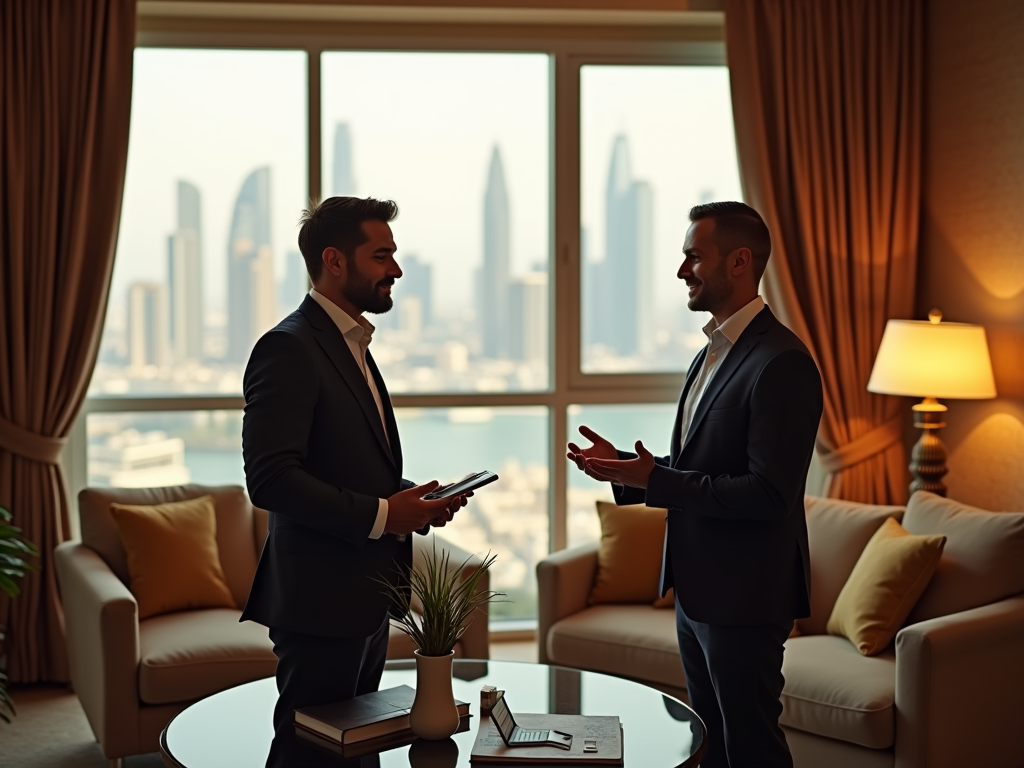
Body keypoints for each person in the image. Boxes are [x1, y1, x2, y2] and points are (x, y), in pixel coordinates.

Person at [567, 201, 823, 768]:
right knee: (710, 745)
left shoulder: (782, 362)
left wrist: (657, 478)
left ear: (738, 262)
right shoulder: (711, 353)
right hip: (698, 590)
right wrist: (630, 474)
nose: (682, 271)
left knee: (751, 746)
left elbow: (768, 494)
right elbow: (703, 463)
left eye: (693, 257)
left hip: (745, 596)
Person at [240, 196, 467, 765]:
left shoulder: (351, 345)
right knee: (309, 752)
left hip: (363, 594)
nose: (396, 269)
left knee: (356, 750)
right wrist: (388, 516)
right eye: (382, 255)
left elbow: (348, 463)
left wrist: (411, 501)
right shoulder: (288, 347)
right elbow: (271, 479)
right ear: (335, 261)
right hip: (319, 600)